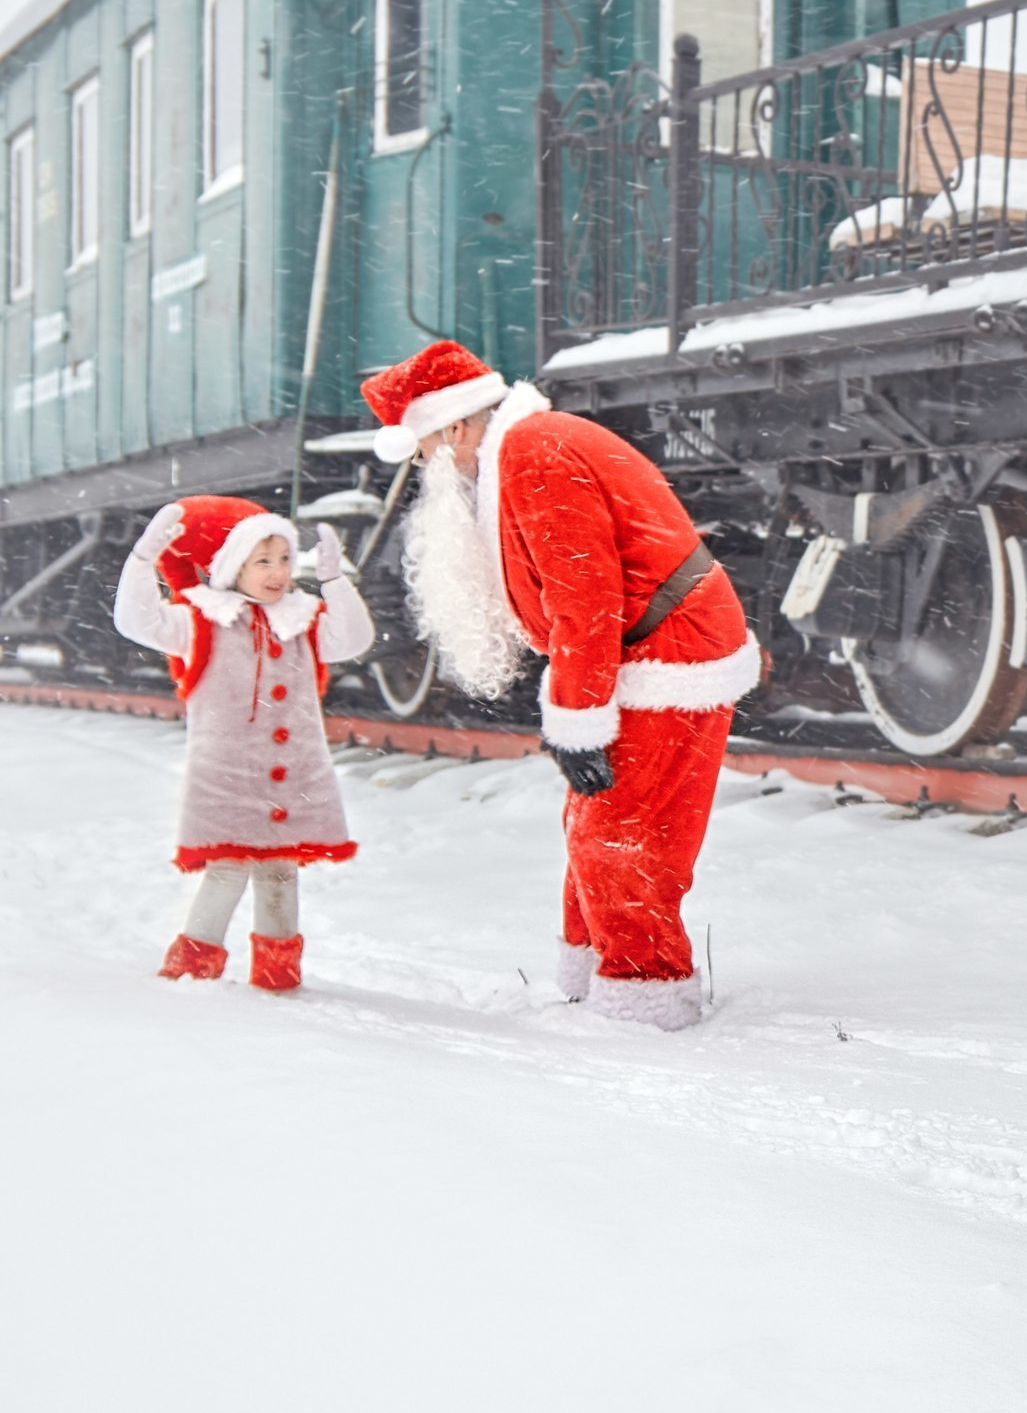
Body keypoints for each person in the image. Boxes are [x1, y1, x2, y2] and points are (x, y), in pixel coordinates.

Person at [368, 340, 760, 1031]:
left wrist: (579, 719)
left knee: (621, 834)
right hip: (654, 645)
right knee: (595, 825)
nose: (427, 464)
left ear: (453, 427)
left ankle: (645, 995)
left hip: (668, 651)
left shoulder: (533, 454)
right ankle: (599, 971)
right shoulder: (527, 447)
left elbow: (585, 596)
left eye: (425, 448)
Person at [115, 496, 376, 991]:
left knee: (281, 872)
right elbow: (137, 622)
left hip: (293, 777)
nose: (278, 572)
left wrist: (336, 583)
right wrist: (143, 560)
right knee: (227, 869)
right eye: (263, 561)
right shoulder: (201, 620)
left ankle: (279, 976)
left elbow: (354, 640)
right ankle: (191, 970)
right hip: (227, 777)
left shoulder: (302, 619)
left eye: (285, 559)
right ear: (234, 567)